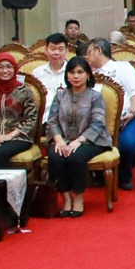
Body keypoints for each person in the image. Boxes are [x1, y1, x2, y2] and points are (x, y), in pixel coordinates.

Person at [45, 57, 111, 218]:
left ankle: (78, 197)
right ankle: (66, 198)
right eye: (72, 72)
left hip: (93, 139)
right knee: (55, 156)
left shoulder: (95, 96)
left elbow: (98, 124)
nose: (76, 76)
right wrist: (59, 140)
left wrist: (79, 141)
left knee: (76, 156)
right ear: (67, 75)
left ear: (88, 75)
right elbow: (52, 121)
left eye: (80, 72)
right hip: (64, 139)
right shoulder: (60, 95)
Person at [84, 38, 135, 192]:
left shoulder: (123, 67)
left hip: (126, 118)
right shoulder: (86, 72)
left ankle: (124, 176)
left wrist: (132, 111)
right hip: (95, 122)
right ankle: (95, 175)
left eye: (89, 52)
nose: (86, 56)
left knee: (128, 145)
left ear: (98, 51)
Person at [33, 33, 71, 118]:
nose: (56, 53)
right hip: (41, 119)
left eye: (61, 49)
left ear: (67, 51)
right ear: (46, 50)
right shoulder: (37, 73)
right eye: (52, 49)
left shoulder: (73, 72)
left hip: (66, 119)